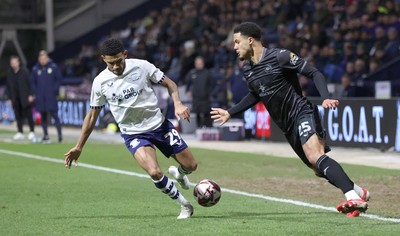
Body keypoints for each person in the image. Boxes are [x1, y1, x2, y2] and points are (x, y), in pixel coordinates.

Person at [210, 22, 369, 217]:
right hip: (287, 127)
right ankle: (360, 192)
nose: (234, 47)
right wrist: (231, 112)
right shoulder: (248, 69)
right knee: (317, 168)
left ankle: (352, 196)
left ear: (250, 40)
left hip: (302, 112)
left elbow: (314, 73)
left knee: (314, 156)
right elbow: (255, 95)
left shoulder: (280, 56)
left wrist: (325, 96)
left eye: (236, 42)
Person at [64, 38, 198, 219]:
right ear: (103, 58)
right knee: (155, 172)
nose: (116, 66)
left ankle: (180, 174)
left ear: (125, 54)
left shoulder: (142, 66)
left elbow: (170, 84)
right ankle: (184, 205)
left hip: (159, 125)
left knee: (191, 165)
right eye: (111, 63)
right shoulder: (100, 82)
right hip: (134, 134)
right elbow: (91, 116)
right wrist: (79, 146)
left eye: (119, 61)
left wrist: (178, 103)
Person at [31, 50, 63, 143]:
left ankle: (60, 135)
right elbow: (32, 82)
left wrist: (54, 91)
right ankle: (46, 135)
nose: (42, 60)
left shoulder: (53, 67)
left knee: (55, 116)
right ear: (39, 59)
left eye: (44, 58)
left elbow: (58, 79)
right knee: (43, 117)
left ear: (47, 58)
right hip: (40, 97)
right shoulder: (35, 69)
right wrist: (35, 92)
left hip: (51, 97)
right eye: (41, 58)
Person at [5, 56, 36, 141]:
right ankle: (20, 132)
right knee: (18, 115)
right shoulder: (10, 73)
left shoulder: (24, 72)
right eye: (12, 63)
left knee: (29, 114)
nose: (13, 64)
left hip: (25, 97)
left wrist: (31, 94)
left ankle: (32, 131)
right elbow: (8, 87)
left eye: (15, 62)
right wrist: (9, 98)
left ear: (18, 62)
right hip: (15, 98)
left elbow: (30, 84)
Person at [185, 56, 214, 128]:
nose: (199, 64)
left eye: (200, 63)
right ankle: (198, 128)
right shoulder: (192, 73)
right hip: (196, 98)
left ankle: (209, 127)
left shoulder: (207, 73)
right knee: (197, 114)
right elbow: (187, 82)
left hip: (205, 98)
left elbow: (212, 84)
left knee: (206, 113)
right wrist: (187, 90)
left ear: (203, 63)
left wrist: (209, 92)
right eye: (197, 63)